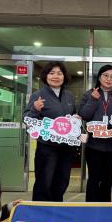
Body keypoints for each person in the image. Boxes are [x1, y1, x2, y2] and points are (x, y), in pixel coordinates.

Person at [23, 61, 76, 202]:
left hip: (66, 147)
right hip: (47, 147)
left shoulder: (69, 96)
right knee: (44, 182)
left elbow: (73, 118)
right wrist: (35, 109)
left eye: (59, 73)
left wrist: (76, 121)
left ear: (64, 76)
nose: (56, 76)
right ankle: (40, 212)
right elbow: (27, 120)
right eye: (52, 73)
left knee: (62, 181)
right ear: (46, 76)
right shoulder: (38, 95)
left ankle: (56, 209)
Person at [79, 65, 112, 202]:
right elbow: (84, 115)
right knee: (94, 178)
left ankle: (106, 207)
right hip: (93, 145)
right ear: (99, 77)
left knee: (107, 178)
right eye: (105, 75)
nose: (109, 79)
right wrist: (93, 99)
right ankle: (91, 207)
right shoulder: (89, 94)